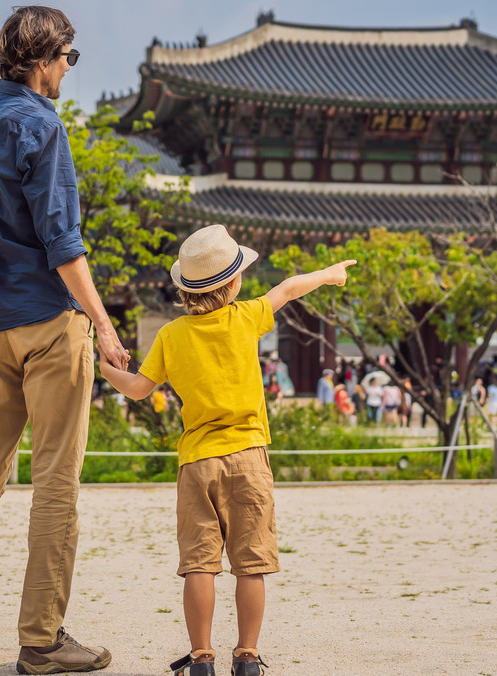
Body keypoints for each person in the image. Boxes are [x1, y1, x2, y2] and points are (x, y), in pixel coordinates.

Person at [0, 7, 124, 673]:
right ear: (46, 58)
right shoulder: (43, 124)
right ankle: (42, 640)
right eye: (69, 56)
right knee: (56, 481)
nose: (70, 68)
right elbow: (62, 241)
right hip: (48, 320)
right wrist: (102, 323)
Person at [98, 223, 355, 676]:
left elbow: (139, 389)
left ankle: (200, 659)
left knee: (199, 563)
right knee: (249, 563)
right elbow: (290, 288)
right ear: (234, 283)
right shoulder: (247, 316)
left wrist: (106, 370)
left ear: (184, 290)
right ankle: (248, 656)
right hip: (248, 457)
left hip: (197, 460)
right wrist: (330, 273)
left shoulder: (172, 335)